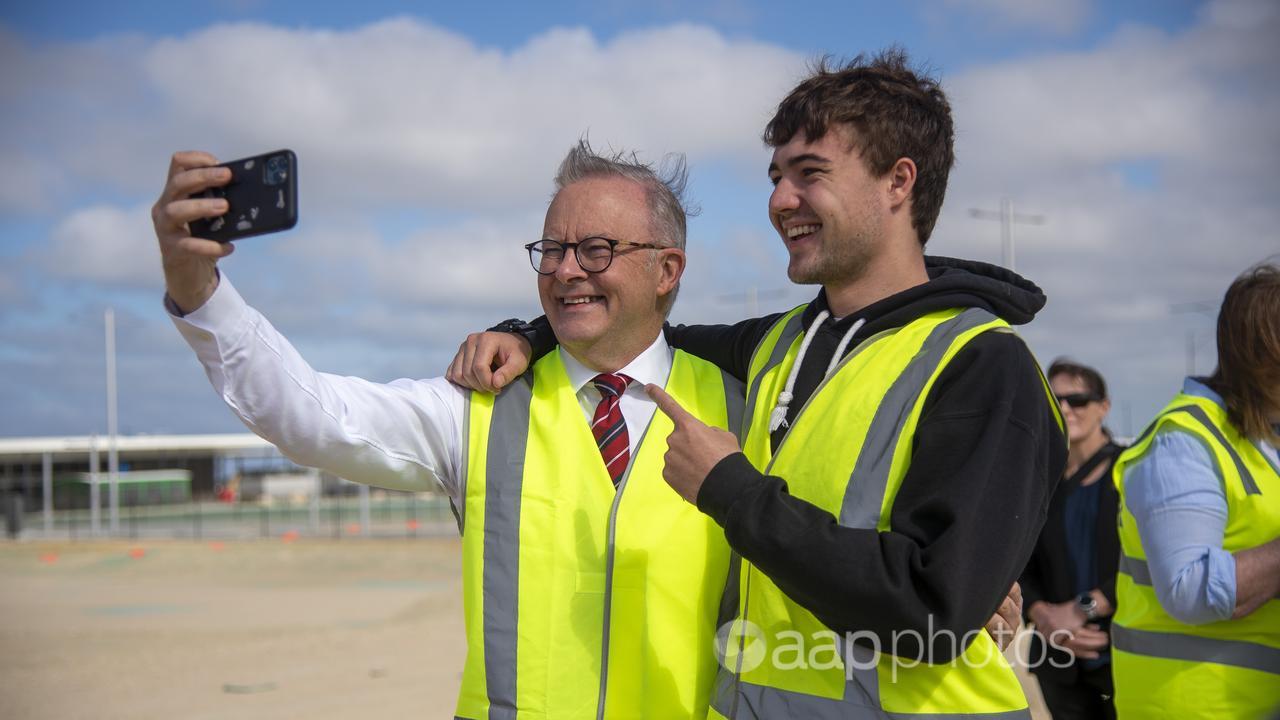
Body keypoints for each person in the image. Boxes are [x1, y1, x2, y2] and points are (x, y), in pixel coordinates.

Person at [450, 48, 1067, 719]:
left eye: (810, 174)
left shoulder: (984, 365)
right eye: (776, 176)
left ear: (898, 181)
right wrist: (528, 333)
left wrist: (732, 492)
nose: (779, 201)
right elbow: (631, 328)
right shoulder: (782, 345)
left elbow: (934, 612)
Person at [152, 141, 749, 718]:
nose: (566, 270)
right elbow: (312, 417)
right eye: (552, 248)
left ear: (666, 269)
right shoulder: (480, 406)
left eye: (595, 249)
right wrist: (199, 292)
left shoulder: (747, 408)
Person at [1111, 262, 1280, 720]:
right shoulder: (1183, 443)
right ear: (1264, 355)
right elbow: (1189, 589)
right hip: (1193, 706)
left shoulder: (1261, 441)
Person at [1020, 359, 1122, 719]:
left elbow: (1151, 564)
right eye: (1055, 398)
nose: (1065, 408)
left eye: (1077, 399)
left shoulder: (1132, 471)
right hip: (1054, 657)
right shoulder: (1037, 480)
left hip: (1118, 653)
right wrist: (1044, 616)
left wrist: (1081, 610)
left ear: (1103, 406)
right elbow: (1018, 563)